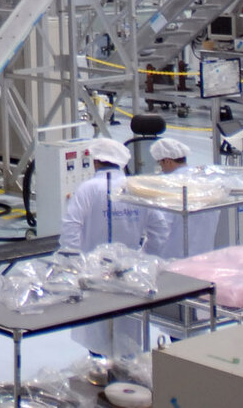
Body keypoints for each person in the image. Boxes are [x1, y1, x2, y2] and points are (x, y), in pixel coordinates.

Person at [60, 136, 146, 355]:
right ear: (121, 163)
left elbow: (71, 224)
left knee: (98, 326)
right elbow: (159, 227)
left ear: (96, 161)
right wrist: (147, 257)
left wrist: (72, 260)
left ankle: (98, 368)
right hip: (131, 269)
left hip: (94, 269)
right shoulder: (136, 187)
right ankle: (128, 370)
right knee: (129, 323)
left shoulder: (88, 188)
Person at [141, 137, 219, 258]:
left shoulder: (169, 186)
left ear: (167, 161)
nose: (160, 168)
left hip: (174, 259)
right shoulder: (204, 180)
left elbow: (161, 229)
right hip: (204, 255)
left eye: (160, 163)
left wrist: (144, 255)